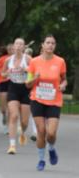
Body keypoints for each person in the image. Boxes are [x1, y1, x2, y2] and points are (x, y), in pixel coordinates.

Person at [27, 35, 67, 170]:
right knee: (41, 131)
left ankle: (51, 148)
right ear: (42, 45)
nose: (50, 45)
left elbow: (64, 79)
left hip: (54, 100)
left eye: (53, 43)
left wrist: (63, 85)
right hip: (37, 99)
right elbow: (27, 84)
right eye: (48, 43)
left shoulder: (60, 61)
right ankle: (41, 160)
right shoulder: (34, 62)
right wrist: (35, 78)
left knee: (51, 133)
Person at [5, 37, 31, 154]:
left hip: (25, 89)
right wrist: (8, 73)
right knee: (14, 116)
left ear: (24, 47)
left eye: (21, 44)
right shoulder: (8, 60)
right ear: (13, 47)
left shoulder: (28, 59)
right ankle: (12, 145)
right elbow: (3, 73)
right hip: (13, 88)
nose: (19, 46)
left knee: (24, 122)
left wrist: (25, 69)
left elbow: (35, 72)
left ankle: (23, 131)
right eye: (17, 44)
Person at [0, 44, 13, 131]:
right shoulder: (2, 59)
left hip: (12, 82)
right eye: (9, 49)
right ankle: (4, 115)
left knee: (10, 105)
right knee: (3, 107)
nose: (10, 50)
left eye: (12, 48)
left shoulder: (18, 59)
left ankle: (8, 127)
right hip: (2, 82)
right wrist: (1, 73)